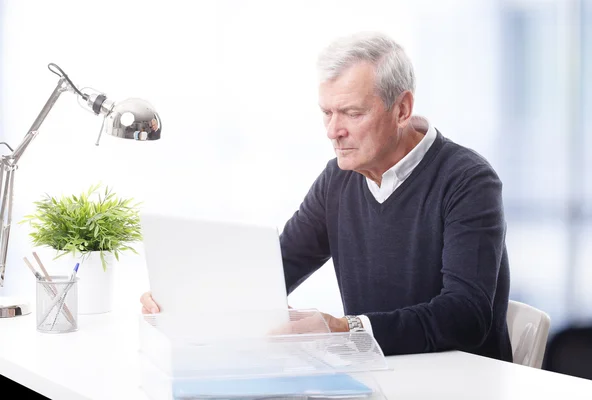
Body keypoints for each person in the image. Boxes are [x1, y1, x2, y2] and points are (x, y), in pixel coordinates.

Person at [140, 31, 513, 362]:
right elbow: (275, 270)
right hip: (379, 377)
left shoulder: (467, 180)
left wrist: (342, 328)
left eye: (351, 113)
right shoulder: (339, 178)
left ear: (401, 109)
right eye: (326, 113)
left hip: (459, 382)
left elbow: (466, 316)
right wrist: (184, 300)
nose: (333, 131)